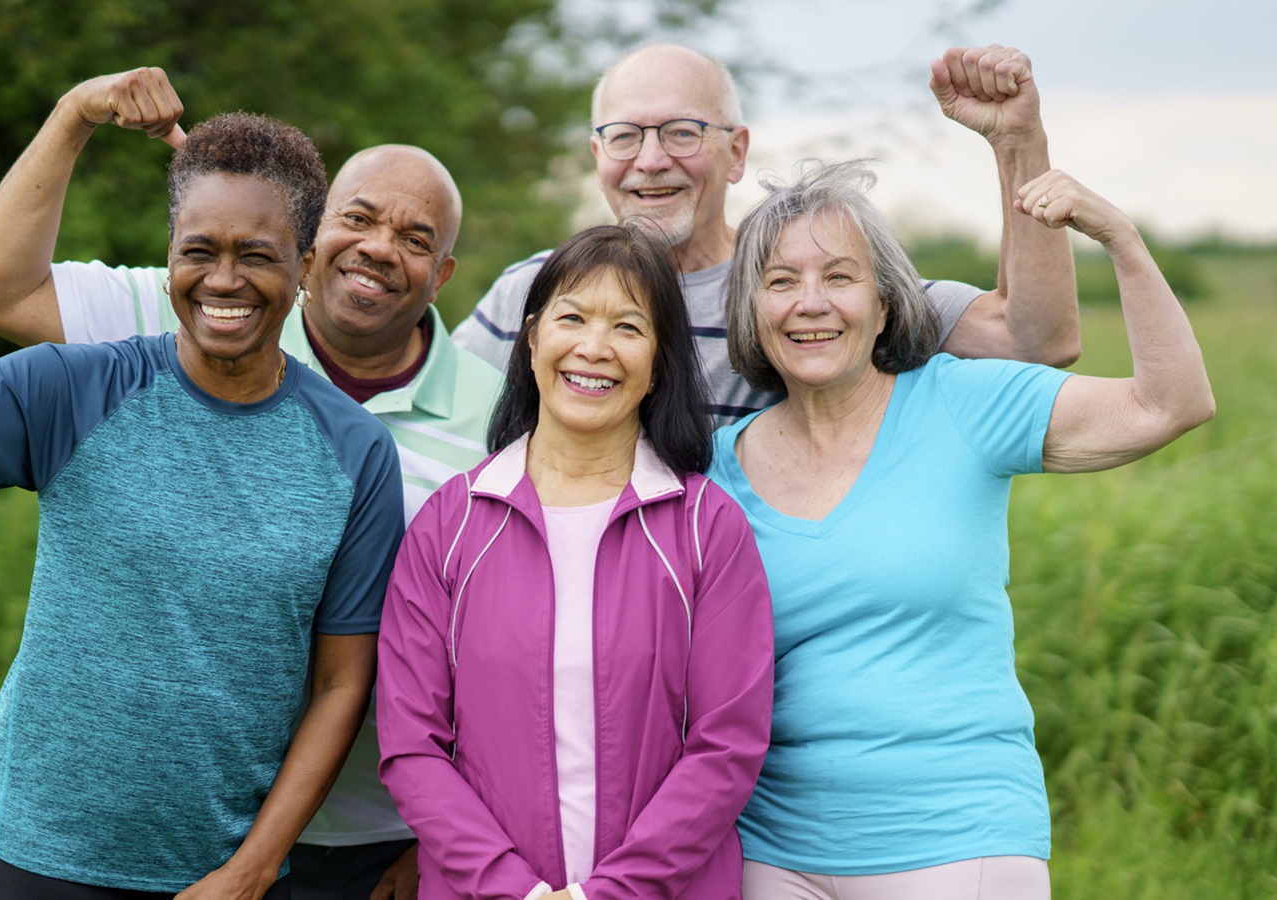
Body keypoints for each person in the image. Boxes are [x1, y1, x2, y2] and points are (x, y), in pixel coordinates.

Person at [0, 68, 503, 900]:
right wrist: (74, 115)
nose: (381, 248)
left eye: (416, 238)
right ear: (313, 244)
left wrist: (456, 829)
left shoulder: (500, 420)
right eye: (359, 218)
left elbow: (517, 640)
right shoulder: (205, 307)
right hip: (197, 828)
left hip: (376, 836)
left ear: (445, 273)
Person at [0, 114, 406, 899]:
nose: (224, 280)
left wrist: (252, 868)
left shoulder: (354, 451)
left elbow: (343, 683)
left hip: (211, 872)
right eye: (199, 251)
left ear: (305, 265)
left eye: (257, 256)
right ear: (170, 253)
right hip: (31, 853)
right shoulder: (76, 389)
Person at [705, 160, 1213, 898]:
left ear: (884, 304)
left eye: (838, 278)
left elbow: (1168, 405)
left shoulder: (962, 404)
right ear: (751, 310)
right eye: (780, 281)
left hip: (954, 836)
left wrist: (1119, 240)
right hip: (771, 850)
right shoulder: (715, 470)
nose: (809, 304)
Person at [378, 222, 776, 899]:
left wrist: (610, 893)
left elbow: (726, 745)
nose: (593, 348)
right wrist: (517, 891)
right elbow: (411, 746)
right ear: (532, 337)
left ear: (659, 364)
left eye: (627, 327)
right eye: (571, 317)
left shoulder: (706, 526)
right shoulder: (450, 523)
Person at [452, 44, 1081, 422]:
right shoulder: (533, 293)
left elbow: (1034, 340)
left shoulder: (806, 287)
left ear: (736, 152)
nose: (649, 160)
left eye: (681, 132)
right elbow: (434, 423)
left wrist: (1018, 142)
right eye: (624, 135)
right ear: (596, 155)